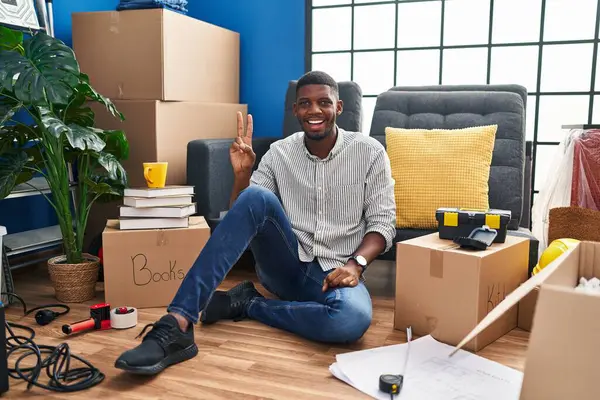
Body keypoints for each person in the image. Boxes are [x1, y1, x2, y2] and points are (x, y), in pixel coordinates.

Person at [114, 71, 397, 375]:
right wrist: (241, 175)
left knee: (350, 320)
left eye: (323, 102)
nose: (314, 110)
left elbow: (383, 223)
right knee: (256, 195)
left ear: (338, 107)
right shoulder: (279, 153)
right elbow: (243, 215)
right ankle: (178, 323)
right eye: (305, 103)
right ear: (295, 110)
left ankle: (249, 304)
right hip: (284, 265)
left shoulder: (369, 153)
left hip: (335, 273)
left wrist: (356, 264)